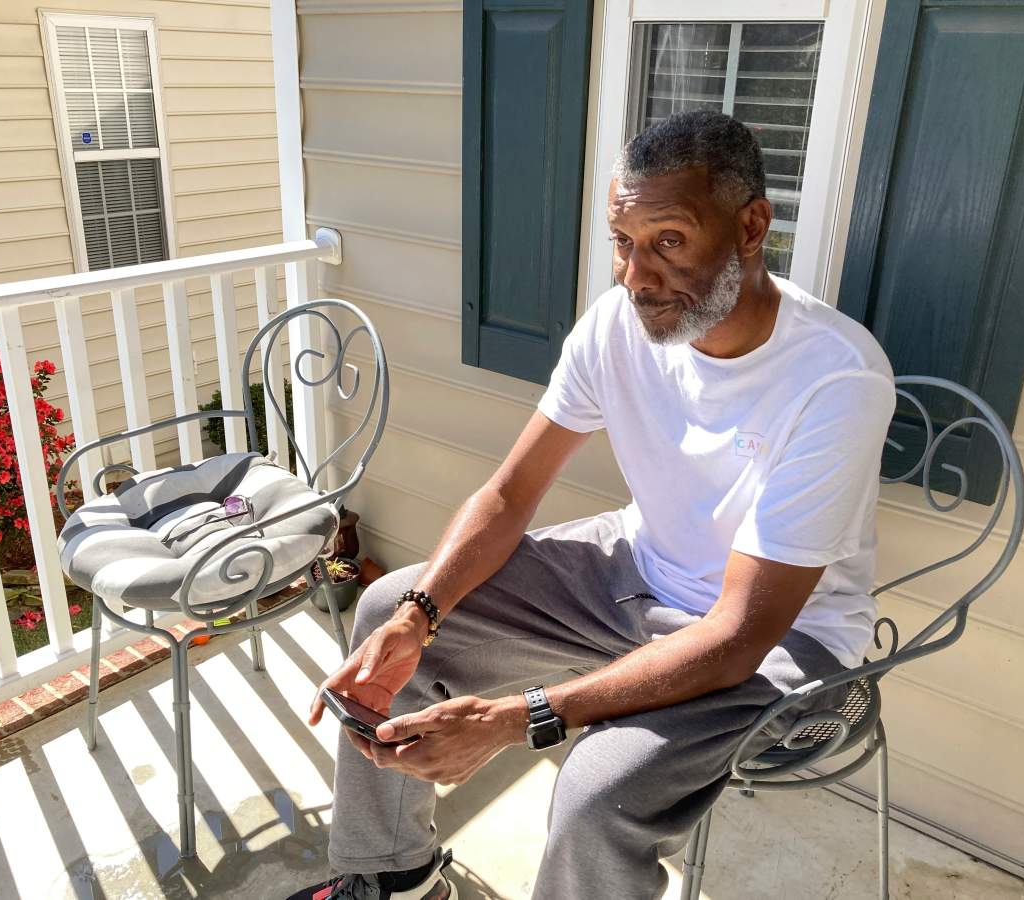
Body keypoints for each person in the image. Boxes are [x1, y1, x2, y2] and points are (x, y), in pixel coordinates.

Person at [288, 110, 896, 900]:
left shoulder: (837, 377)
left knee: (593, 795)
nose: (636, 276)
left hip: (785, 641)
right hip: (638, 572)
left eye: (670, 240)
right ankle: (393, 876)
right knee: (382, 610)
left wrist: (516, 718)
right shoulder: (617, 325)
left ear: (751, 227)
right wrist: (420, 612)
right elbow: (509, 494)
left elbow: (740, 633)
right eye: (623, 241)